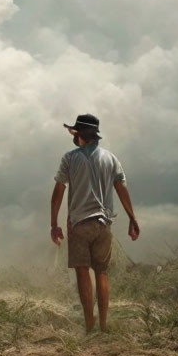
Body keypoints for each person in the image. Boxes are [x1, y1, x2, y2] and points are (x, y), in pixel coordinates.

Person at [49, 113, 139, 332]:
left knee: (82, 273)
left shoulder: (70, 158)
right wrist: (132, 218)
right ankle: (104, 325)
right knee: (101, 272)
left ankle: (90, 325)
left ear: (80, 134)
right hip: (103, 225)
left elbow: (58, 191)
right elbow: (121, 189)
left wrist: (54, 223)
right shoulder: (111, 159)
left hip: (79, 224)